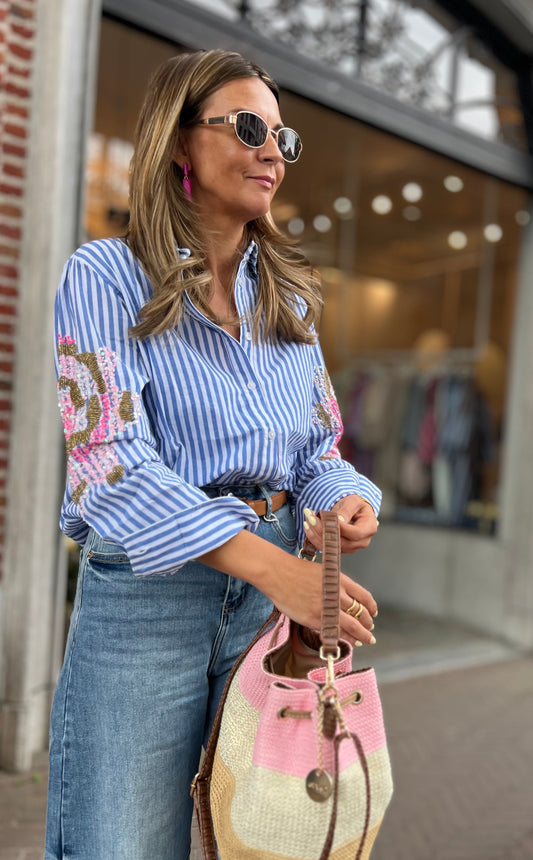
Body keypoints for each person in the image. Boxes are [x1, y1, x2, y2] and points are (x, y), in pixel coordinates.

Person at [45, 48, 381, 860]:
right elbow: (109, 467)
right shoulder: (105, 276)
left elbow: (314, 448)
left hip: (269, 601)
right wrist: (279, 573)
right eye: (248, 128)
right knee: (119, 844)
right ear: (178, 143)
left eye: (281, 137)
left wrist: (343, 496)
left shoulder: (290, 296)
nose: (273, 152)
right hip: (150, 600)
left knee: (276, 837)